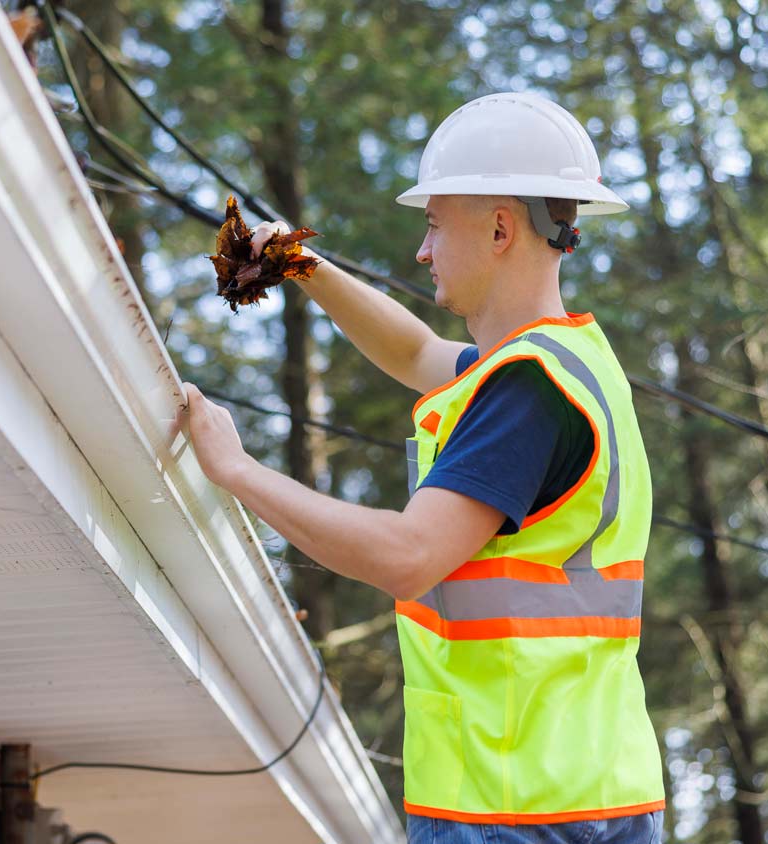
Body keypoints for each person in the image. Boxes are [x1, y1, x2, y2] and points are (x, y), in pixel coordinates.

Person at [176, 92, 666, 843]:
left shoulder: (527, 391)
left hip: (514, 809)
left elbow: (407, 557)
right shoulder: (567, 365)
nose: (423, 251)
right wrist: (301, 265)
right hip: (580, 791)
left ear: (501, 227)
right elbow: (411, 353)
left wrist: (236, 470)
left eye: (434, 223)